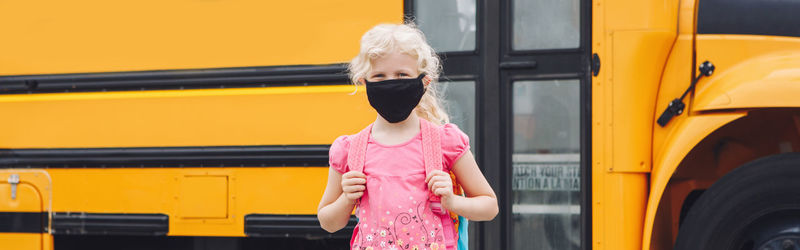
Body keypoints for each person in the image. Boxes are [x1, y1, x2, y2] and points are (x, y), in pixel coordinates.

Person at [317, 23, 498, 250]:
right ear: (364, 82)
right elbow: (328, 222)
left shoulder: (445, 142)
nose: (391, 82)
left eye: (402, 74)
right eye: (379, 76)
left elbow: (489, 206)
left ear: (424, 81)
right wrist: (347, 199)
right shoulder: (349, 150)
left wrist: (452, 201)